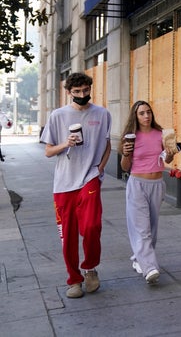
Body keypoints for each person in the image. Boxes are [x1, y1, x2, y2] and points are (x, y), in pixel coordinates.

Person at [39, 72, 111, 299]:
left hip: (89, 177)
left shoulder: (102, 114)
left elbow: (108, 144)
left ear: (91, 88)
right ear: (68, 92)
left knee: (91, 226)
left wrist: (100, 168)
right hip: (63, 183)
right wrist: (65, 143)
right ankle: (74, 280)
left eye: (86, 90)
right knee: (67, 235)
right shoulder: (58, 116)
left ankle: (90, 268)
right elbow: (48, 151)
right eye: (77, 92)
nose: (82, 95)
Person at [119, 100, 177, 284]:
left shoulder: (160, 134)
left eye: (148, 112)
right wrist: (126, 153)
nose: (146, 116)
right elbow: (125, 167)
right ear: (135, 116)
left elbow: (166, 159)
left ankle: (139, 259)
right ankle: (150, 268)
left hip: (157, 184)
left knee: (151, 228)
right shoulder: (130, 137)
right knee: (142, 229)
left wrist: (170, 153)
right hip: (137, 184)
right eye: (142, 113)